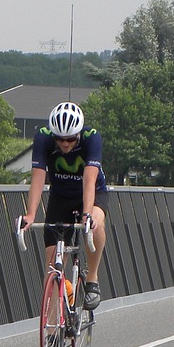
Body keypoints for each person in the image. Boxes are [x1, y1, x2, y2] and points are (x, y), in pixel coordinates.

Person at [20, 101, 108, 310]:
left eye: (70, 139)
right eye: (60, 139)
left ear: (78, 134)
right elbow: (38, 178)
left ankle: (92, 279)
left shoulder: (91, 138)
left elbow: (89, 179)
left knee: (96, 222)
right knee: (51, 267)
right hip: (60, 197)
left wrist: (87, 214)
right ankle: (52, 332)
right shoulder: (43, 137)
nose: (65, 144)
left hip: (92, 193)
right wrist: (30, 214)